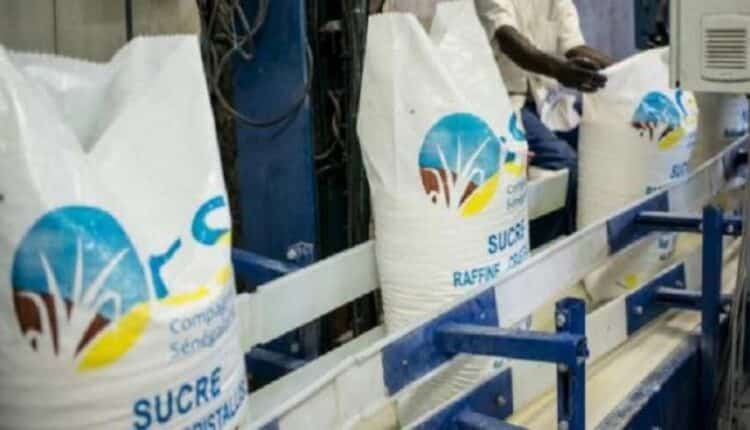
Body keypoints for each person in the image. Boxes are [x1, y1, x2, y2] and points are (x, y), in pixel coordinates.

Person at [475, 0, 614, 248]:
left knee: (602, 135)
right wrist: (558, 70)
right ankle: (548, 249)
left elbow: (574, 46)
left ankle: (590, 234)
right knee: (565, 163)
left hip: (545, 98)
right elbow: (506, 37)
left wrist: (621, 71)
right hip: (504, 99)